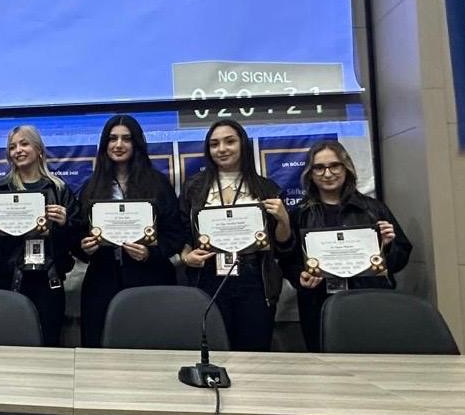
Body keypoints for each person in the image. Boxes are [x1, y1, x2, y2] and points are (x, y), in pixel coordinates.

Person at [74, 114, 190, 347]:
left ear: (136, 143)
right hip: (102, 281)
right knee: (99, 350)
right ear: (104, 144)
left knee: (150, 347)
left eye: (126, 139)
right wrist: (84, 247)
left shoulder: (157, 183)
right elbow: (76, 234)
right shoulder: (91, 186)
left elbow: (175, 234)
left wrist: (150, 253)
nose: (118, 145)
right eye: (112, 138)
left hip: (150, 279)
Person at [285, 139, 412, 351]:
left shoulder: (373, 209)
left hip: (369, 302)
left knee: (371, 360)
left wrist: (387, 247)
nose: (327, 174)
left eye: (334, 166)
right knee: (324, 365)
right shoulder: (300, 214)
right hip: (318, 306)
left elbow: (401, 258)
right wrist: (300, 276)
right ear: (310, 173)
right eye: (319, 168)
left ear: (346, 168)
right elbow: (287, 260)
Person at [180, 118, 292, 351]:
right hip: (209, 277)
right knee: (213, 350)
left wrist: (284, 220)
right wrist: (186, 257)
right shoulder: (193, 188)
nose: (221, 149)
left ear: (243, 144)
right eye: (214, 144)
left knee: (254, 353)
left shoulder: (266, 187)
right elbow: (181, 232)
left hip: (255, 280)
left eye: (229, 141)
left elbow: (282, 245)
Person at [0, 124, 79, 346]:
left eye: (24, 144)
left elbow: (76, 242)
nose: (18, 150)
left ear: (39, 149)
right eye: (12, 147)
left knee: (49, 345)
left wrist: (64, 224)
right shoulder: (0, 191)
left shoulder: (59, 189)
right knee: (11, 347)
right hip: (10, 282)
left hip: (48, 283)